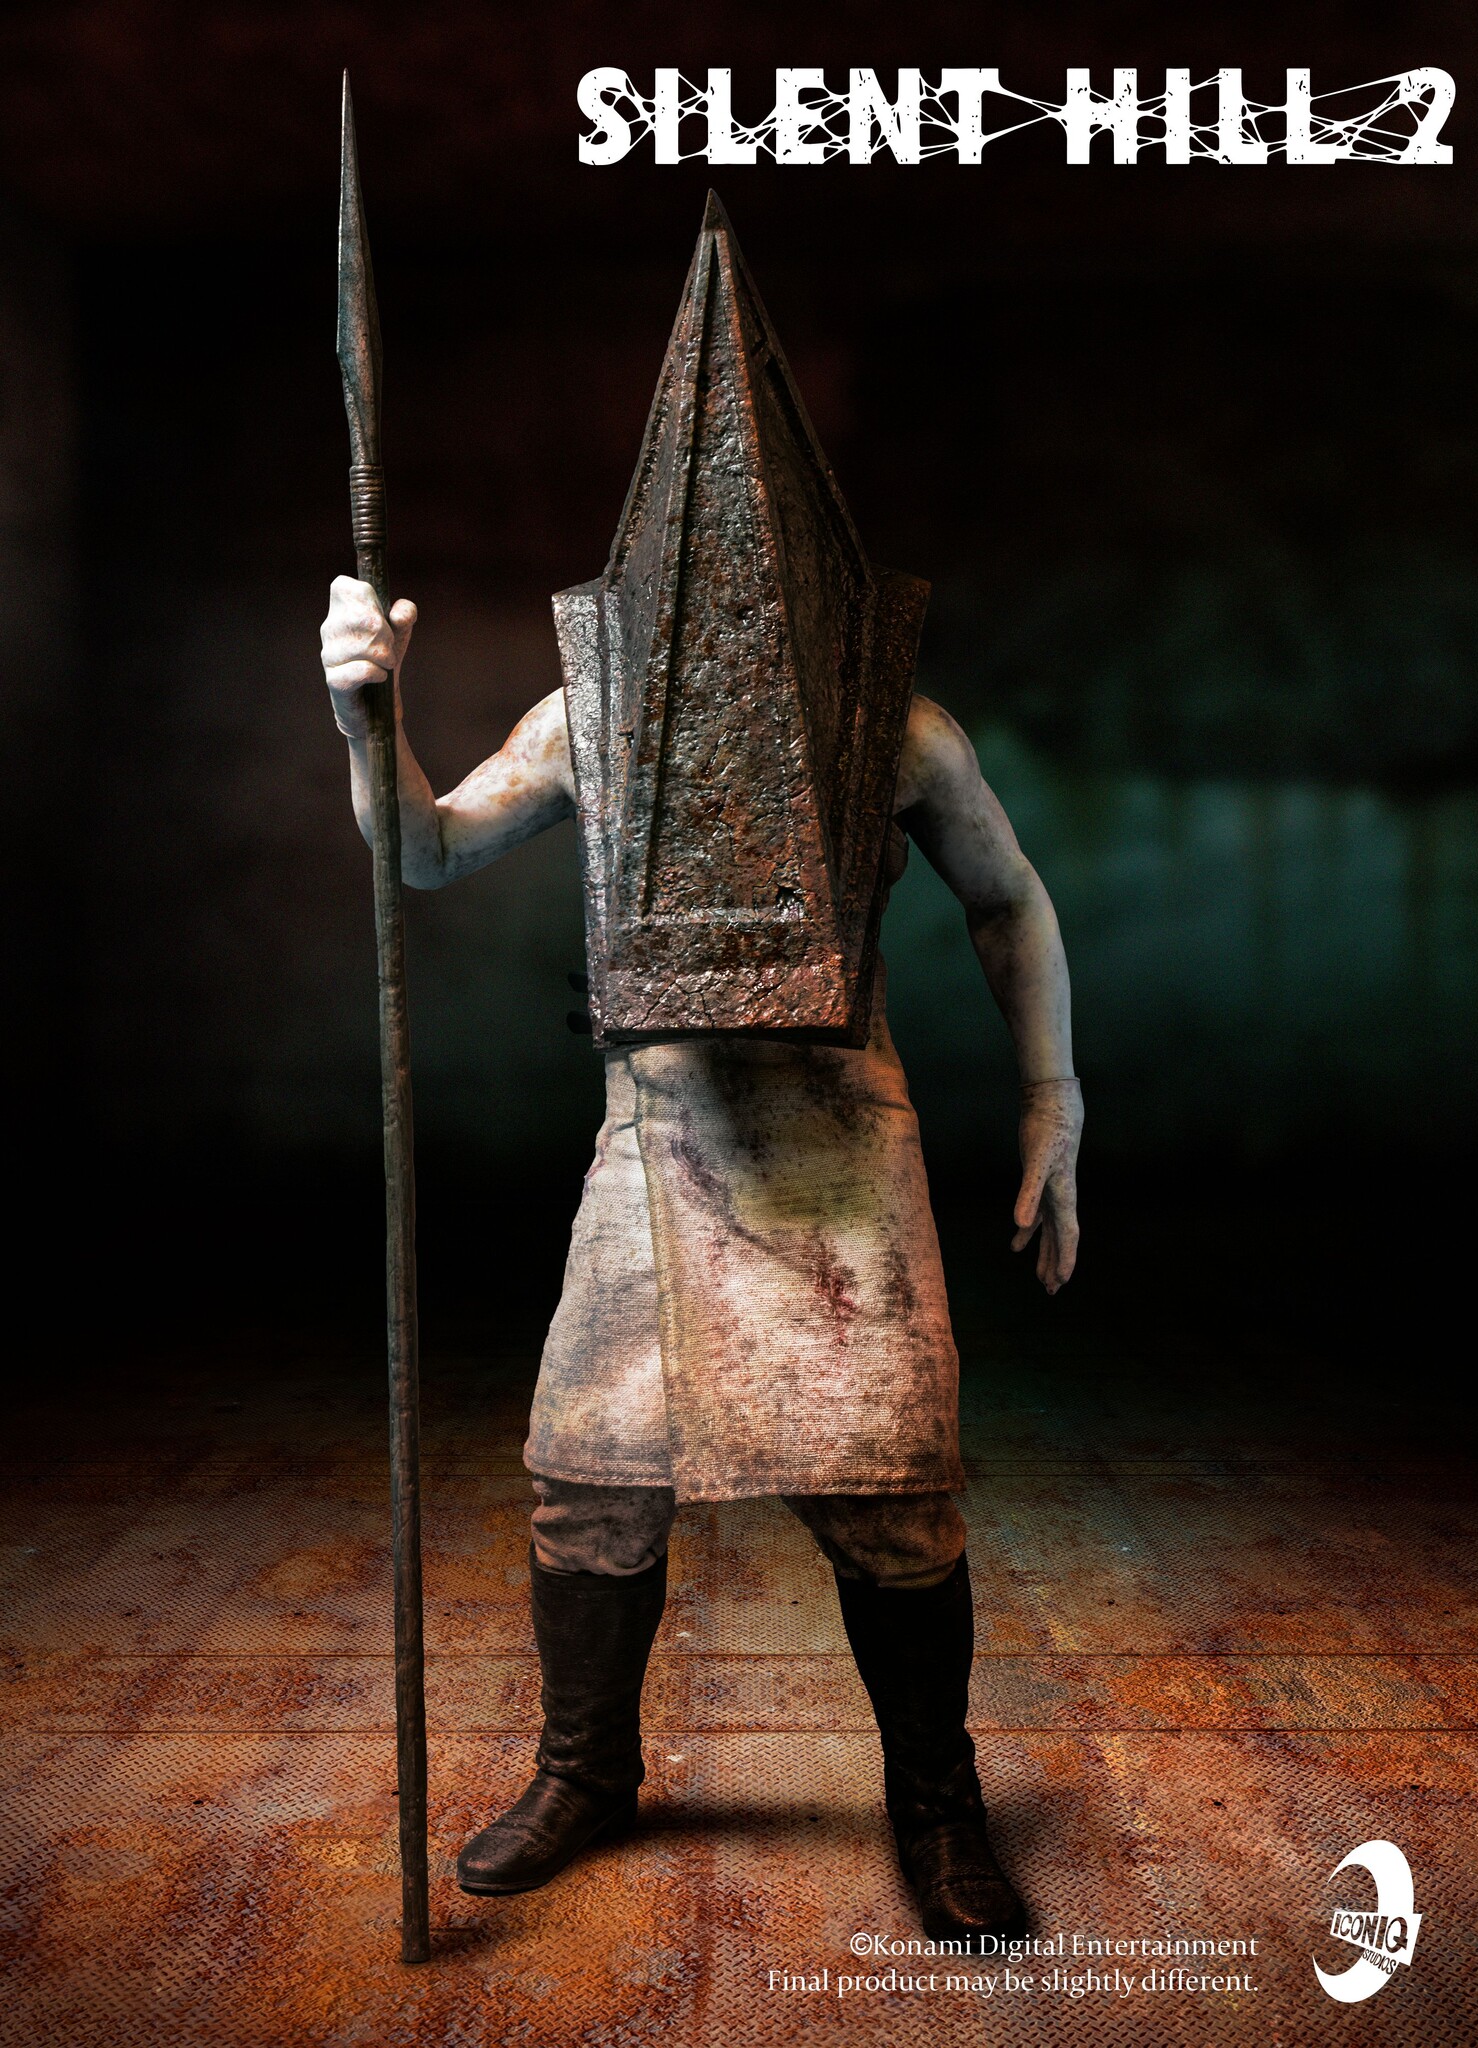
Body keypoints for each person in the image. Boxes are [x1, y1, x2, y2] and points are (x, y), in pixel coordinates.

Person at [319, 203, 1082, 1944]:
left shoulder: (896, 727)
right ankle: (586, 1771)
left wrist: (1057, 1101)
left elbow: (1009, 899)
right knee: (591, 1473)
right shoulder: (595, 721)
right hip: (657, 1144)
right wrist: (372, 724)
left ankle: (939, 1804)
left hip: (839, 1149)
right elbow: (424, 852)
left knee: (893, 1493)